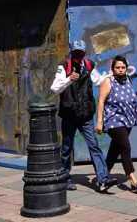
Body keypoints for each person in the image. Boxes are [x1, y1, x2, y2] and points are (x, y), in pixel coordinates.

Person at [50, 40, 113, 193]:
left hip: (85, 115)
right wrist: (69, 79)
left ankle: (103, 178)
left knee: (94, 146)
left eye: (81, 53)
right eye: (76, 53)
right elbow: (54, 89)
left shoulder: (90, 65)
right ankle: (65, 178)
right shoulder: (64, 66)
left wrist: (112, 75)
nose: (78, 56)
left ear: (85, 53)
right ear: (71, 53)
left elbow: (99, 80)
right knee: (66, 148)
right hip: (69, 115)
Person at [95, 56, 137, 193]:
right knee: (125, 147)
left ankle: (102, 179)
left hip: (127, 120)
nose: (121, 70)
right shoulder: (108, 81)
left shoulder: (127, 79)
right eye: (118, 67)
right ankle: (133, 182)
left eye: (123, 67)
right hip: (113, 121)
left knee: (114, 150)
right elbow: (101, 101)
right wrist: (99, 122)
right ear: (112, 68)